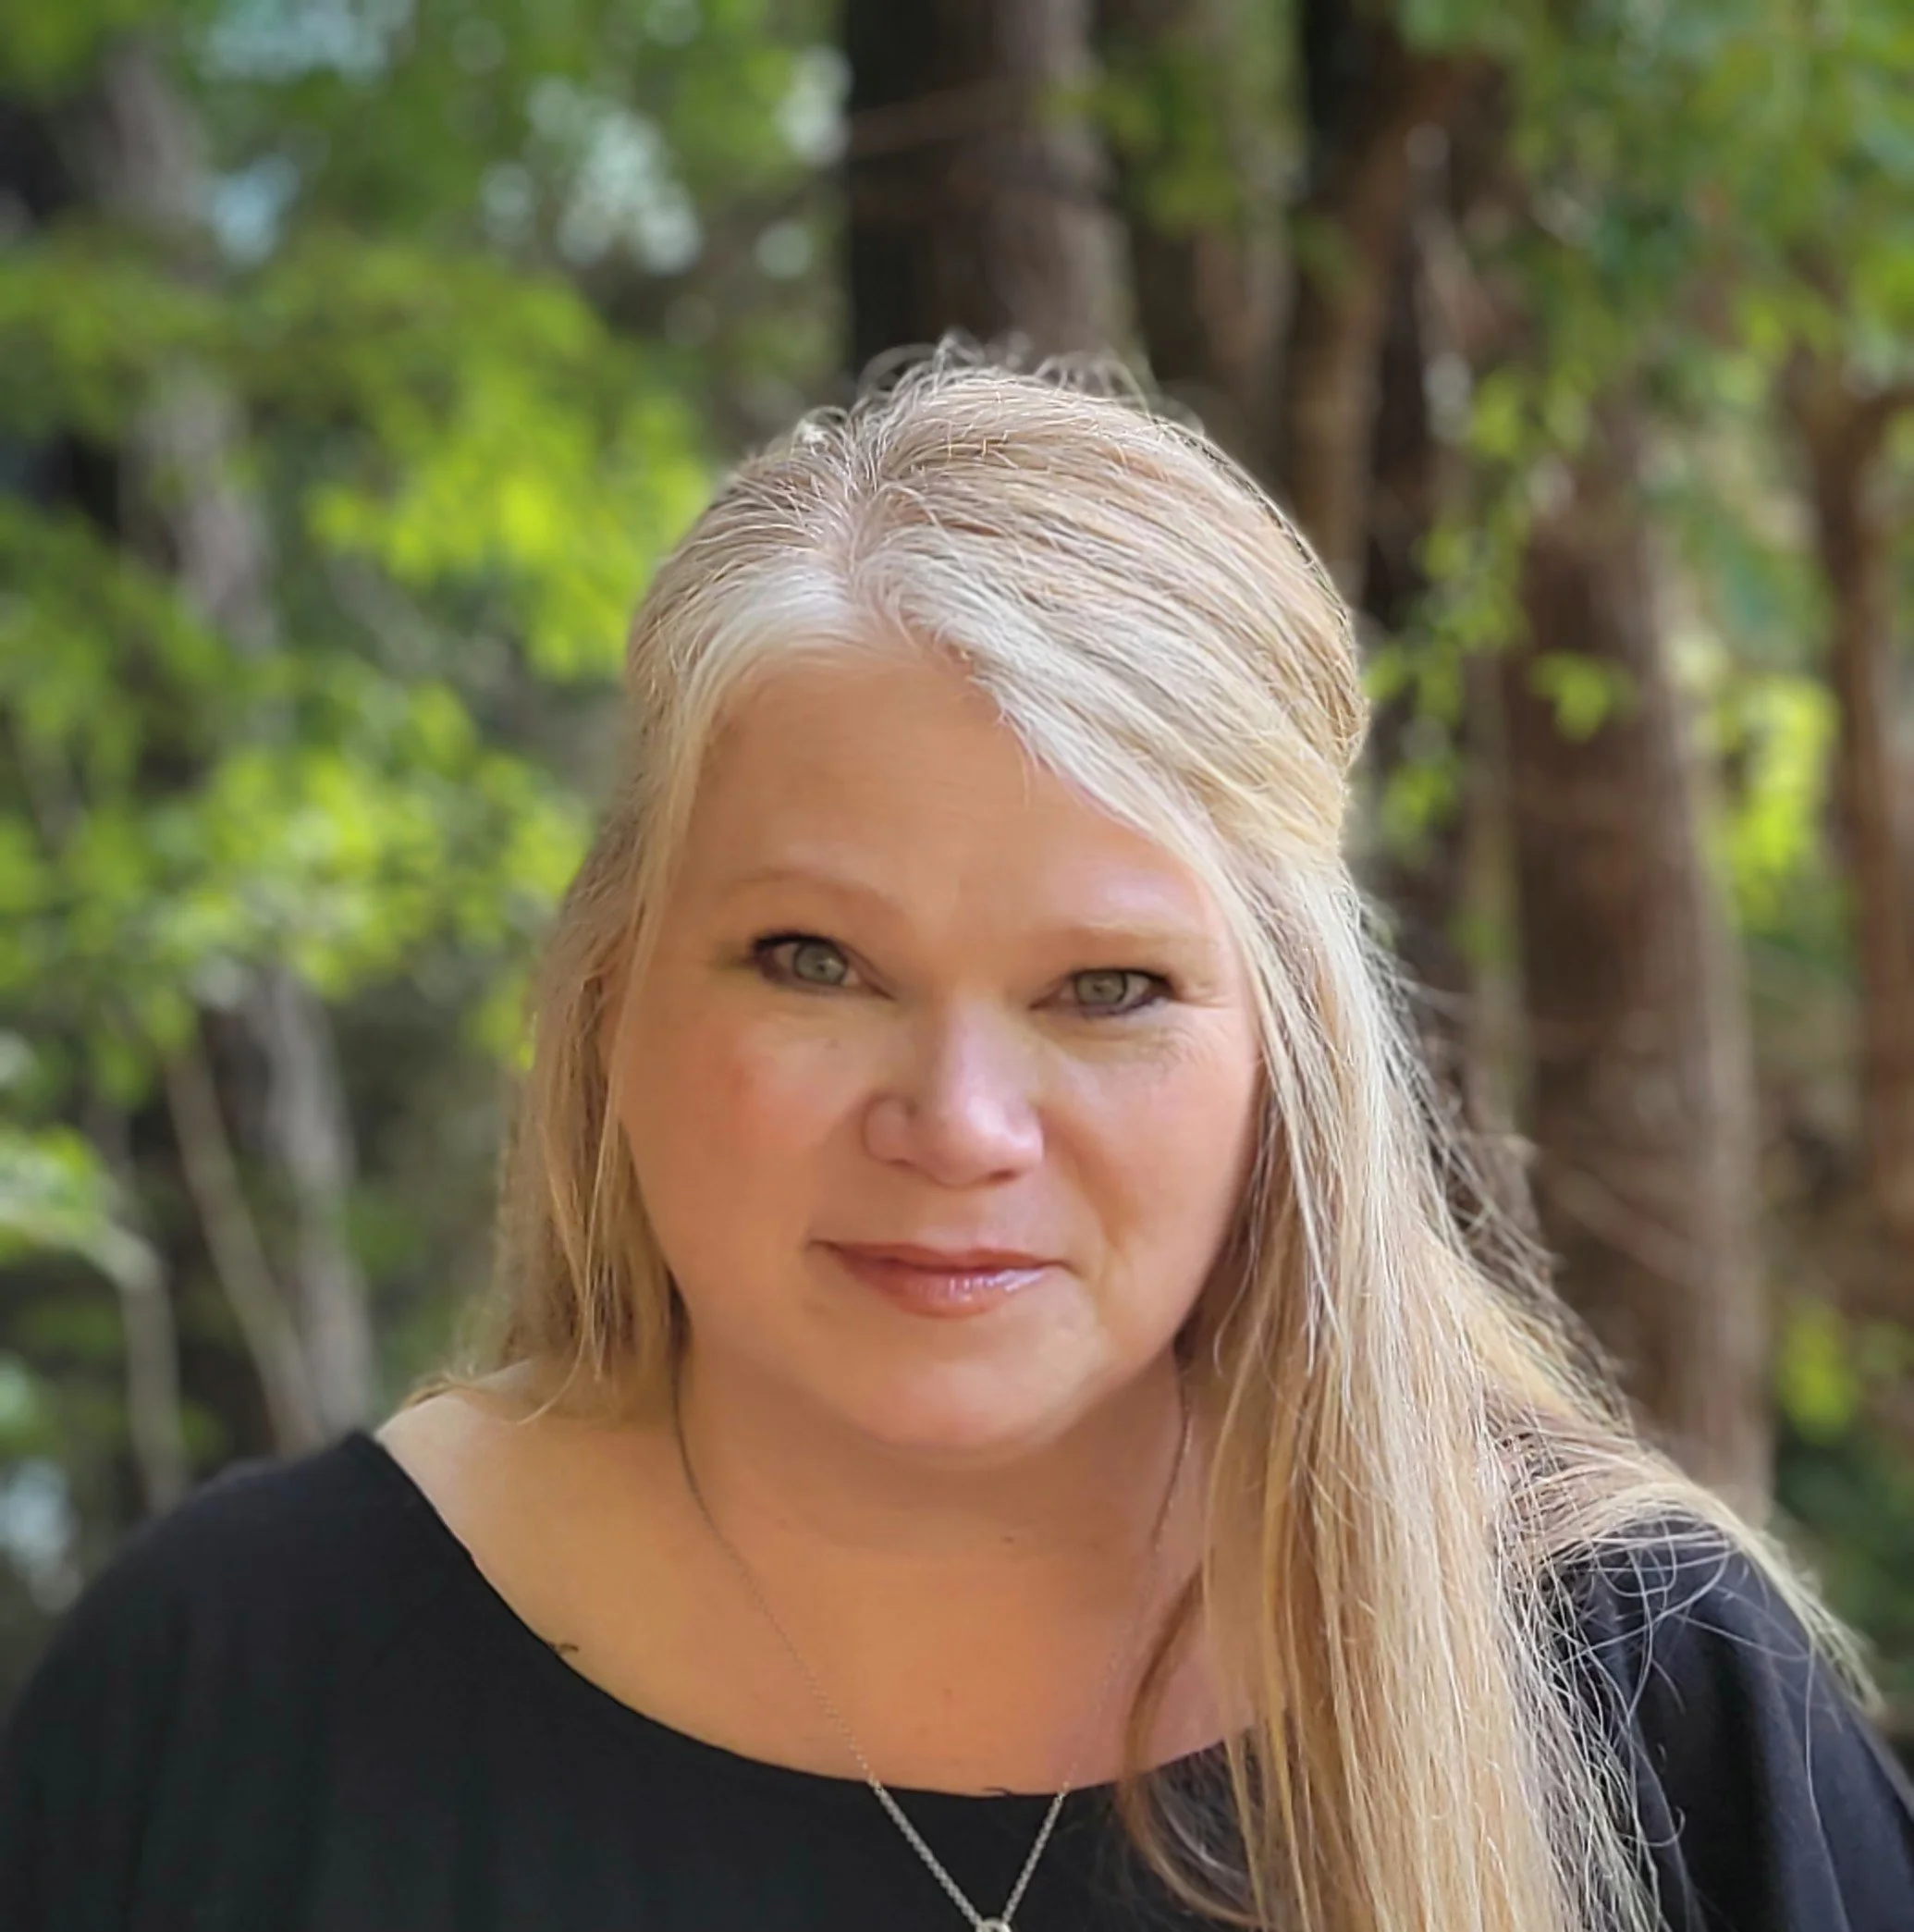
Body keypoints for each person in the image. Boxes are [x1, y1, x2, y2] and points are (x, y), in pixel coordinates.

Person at [3, 350, 1911, 1932]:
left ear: (1290, 1055)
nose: (959, 1126)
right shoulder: (231, 1693)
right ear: (615, 995)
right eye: (816, 961)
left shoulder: (1635, 1692)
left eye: (1107, 990)